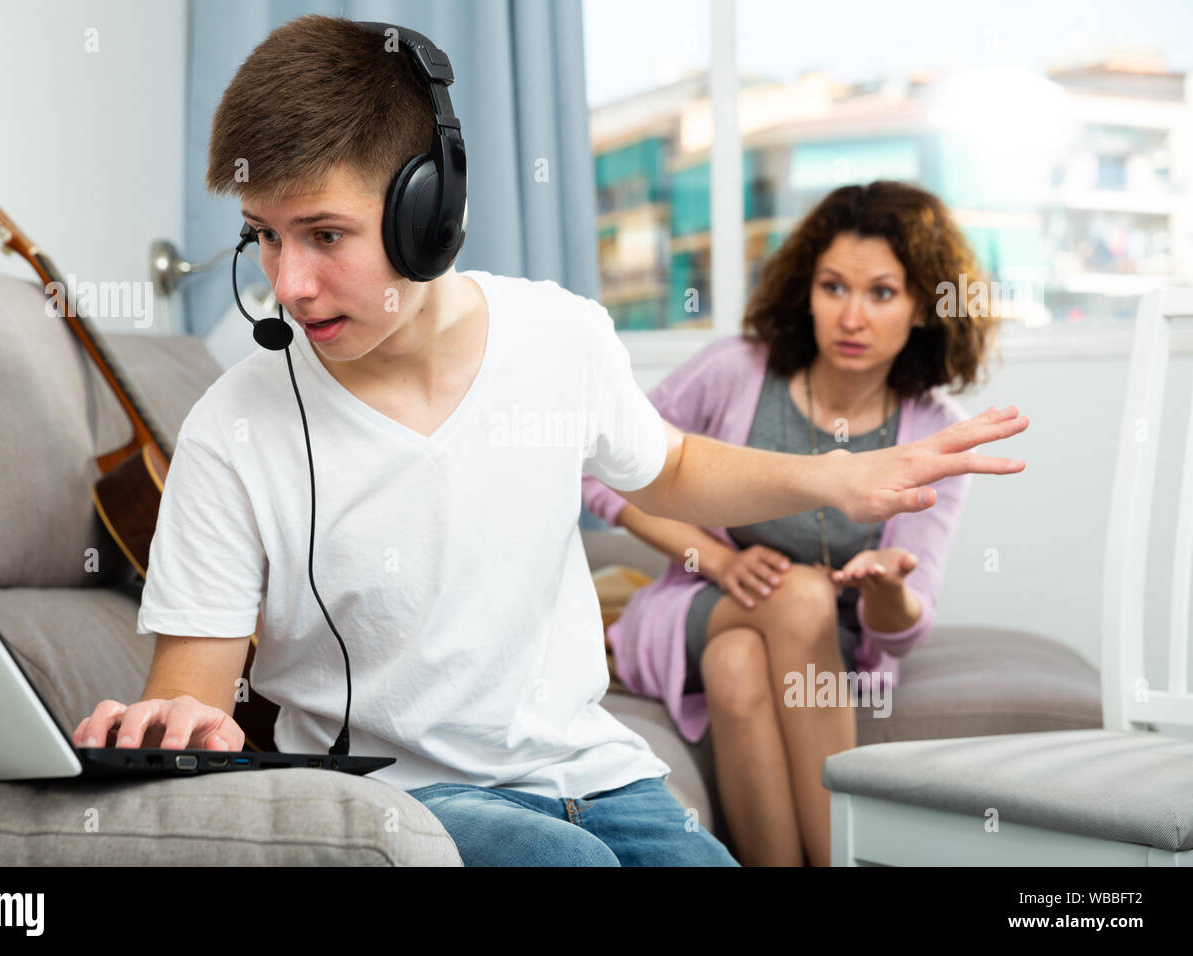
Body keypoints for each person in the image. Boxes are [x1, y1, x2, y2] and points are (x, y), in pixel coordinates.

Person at [72, 17, 1029, 867]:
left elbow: (674, 466)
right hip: (396, 798)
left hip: (596, 770)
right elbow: (192, 681)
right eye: (263, 238)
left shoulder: (560, 335)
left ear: (427, 213)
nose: (289, 285)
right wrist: (185, 722)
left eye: (324, 234)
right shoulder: (235, 428)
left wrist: (841, 478)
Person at [582, 180, 1006, 866]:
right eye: (834, 286)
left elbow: (905, 627)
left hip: (822, 641)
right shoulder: (734, 371)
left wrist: (886, 589)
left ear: (924, 307)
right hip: (699, 606)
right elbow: (599, 465)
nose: (852, 316)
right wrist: (712, 559)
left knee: (739, 664)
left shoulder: (929, 429)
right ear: (805, 290)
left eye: (882, 293)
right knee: (799, 594)